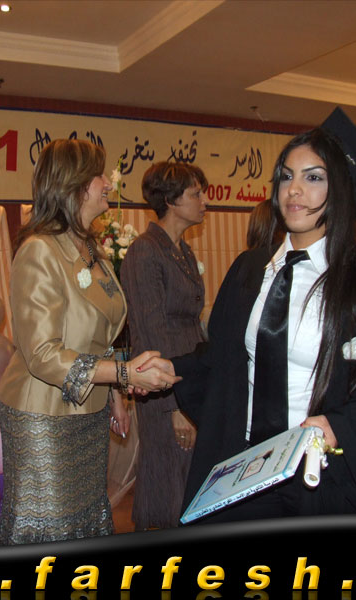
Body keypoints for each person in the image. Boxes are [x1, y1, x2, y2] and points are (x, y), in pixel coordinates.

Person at [144, 128, 356, 522]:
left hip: (320, 477)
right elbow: (223, 360)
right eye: (286, 176)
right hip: (244, 468)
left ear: (340, 190)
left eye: (313, 177)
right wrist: (172, 368)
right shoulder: (249, 271)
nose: (294, 190)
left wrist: (340, 426)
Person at [0, 139, 179, 545]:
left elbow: (101, 333)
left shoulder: (91, 249)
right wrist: (125, 373)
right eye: (98, 176)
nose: (107, 184)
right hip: (43, 417)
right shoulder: (39, 251)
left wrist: (115, 394)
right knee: (51, 528)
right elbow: (42, 354)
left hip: (89, 414)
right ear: (73, 185)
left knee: (84, 520)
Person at [119, 161, 209, 530]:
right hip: (163, 389)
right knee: (167, 481)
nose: (204, 201)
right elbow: (149, 333)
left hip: (189, 376)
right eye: (196, 194)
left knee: (189, 481)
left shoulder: (182, 251)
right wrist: (174, 406)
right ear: (170, 201)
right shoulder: (145, 251)